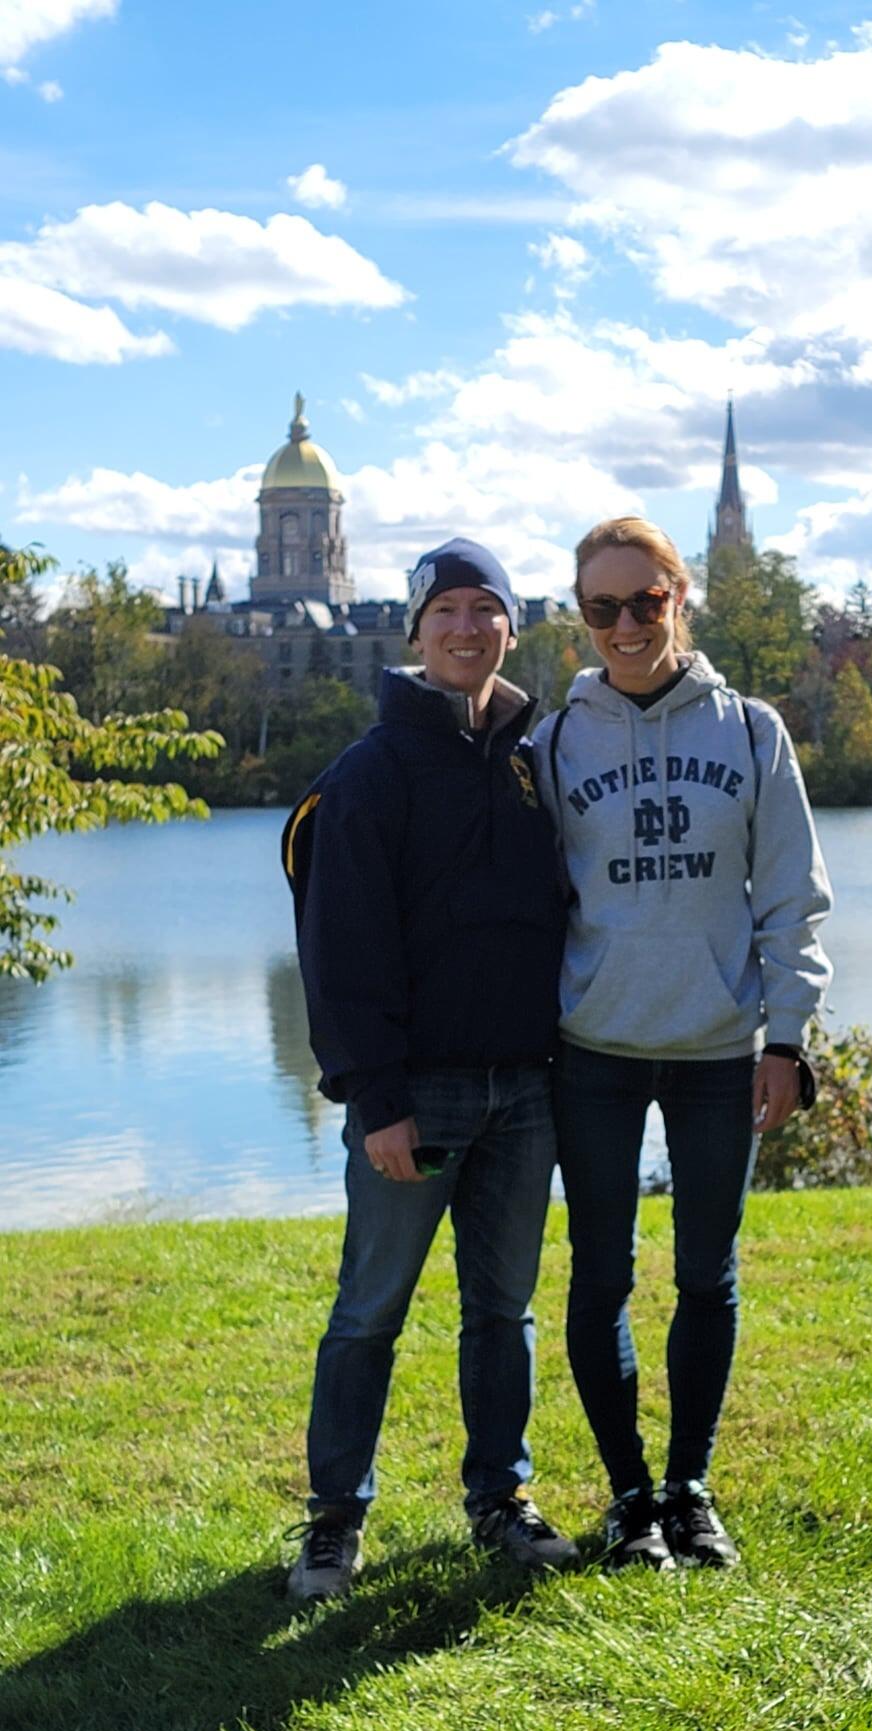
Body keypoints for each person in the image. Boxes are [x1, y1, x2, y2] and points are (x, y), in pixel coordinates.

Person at [533, 517, 832, 1571]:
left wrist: (786, 1038)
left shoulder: (750, 730)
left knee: (707, 1270)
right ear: (581, 616)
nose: (623, 626)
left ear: (679, 597)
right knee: (600, 1274)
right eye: (599, 608)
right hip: (595, 1048)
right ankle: (628, 1500)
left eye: (643, 602)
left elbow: (792, 896)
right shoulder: (553, 742)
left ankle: (690, 1489)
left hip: (717, 1047)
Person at [282, 537, 576, 1599]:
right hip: (419, 1092)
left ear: (510, 626)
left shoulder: (536, 759)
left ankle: (501, 1495)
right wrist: (375, 1099)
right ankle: (334, 1518)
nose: (467, 628)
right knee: (369, 1310)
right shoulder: (368, 776)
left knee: (504, 1309)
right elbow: (339, 956)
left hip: (527, 1085)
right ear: (415, 632)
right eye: (446, 610)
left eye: (485, 609)